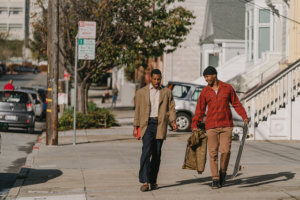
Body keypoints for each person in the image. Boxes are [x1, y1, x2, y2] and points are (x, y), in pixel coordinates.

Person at [191, 66, 249, 189]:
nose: (206, 79)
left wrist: (244, 116)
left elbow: (236, 104)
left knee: (225, 151)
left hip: (226, 125)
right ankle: (215, 179)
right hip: (211, 126)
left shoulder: (227, 88)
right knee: (213, 153)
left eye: (207, 76)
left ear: (214, 75)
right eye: (205, 77)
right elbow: (200, 110)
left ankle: (223, 172)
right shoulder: (205, 92)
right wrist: (195, 124)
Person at [133, 69, 178, 192]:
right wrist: (135, 126)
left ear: (161, 79)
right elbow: (138, 110)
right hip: (146, 125)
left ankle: (153, 181)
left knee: (157, 154)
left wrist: (173, 121)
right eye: (154, 79)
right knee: (146, 153)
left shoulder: (166, 92)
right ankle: (145, 181)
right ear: (150, 79)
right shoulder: (141, 92)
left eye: (159, 79)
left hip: (160, 124)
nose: (157, 81)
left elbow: (171, 107)